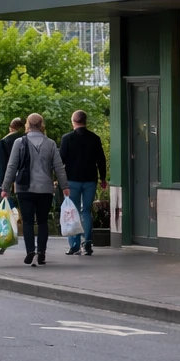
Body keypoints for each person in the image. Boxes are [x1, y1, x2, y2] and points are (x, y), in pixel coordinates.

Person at [2, 113, 69, 266]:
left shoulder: (19, 142)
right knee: (43, 221)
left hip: (24, 188)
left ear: (27, 124)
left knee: (27, 222)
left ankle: (30, 250)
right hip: (45, 188)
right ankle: (42, 252)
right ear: (42, 124)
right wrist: (65, 186)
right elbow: (59, 168)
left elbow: (11, 166)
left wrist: (5, 187)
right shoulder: (50, 144)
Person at [59, 109, 107, 256]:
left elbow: (61, 160)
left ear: (73, 121)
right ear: (85, 121)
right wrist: (103, 178)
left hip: (72, 180)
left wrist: (60, 180)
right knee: (85, 211)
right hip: (90, 180)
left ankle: (74, 245)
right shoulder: (95, 138)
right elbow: (101, 160)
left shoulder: (67, 138)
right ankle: (87, 244)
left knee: (72, 212)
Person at [0, 118, 24, 186]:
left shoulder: (3, 141)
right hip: (22, 176)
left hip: (4, 176)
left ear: (11, 128)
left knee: (5, 195)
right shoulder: (27, 140)